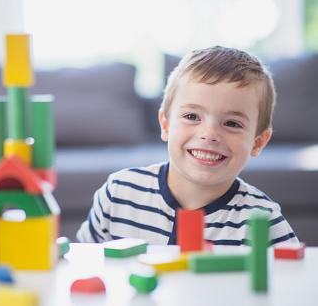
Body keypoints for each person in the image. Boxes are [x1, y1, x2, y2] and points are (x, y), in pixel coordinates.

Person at [76, 46, 298, 246]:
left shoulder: (264, 220)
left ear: (258, 143)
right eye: (192, 116)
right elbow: (82, 264)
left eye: (232, 123)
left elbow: (294, 284)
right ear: (165, 125)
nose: (209, 134)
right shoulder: (119, 192)